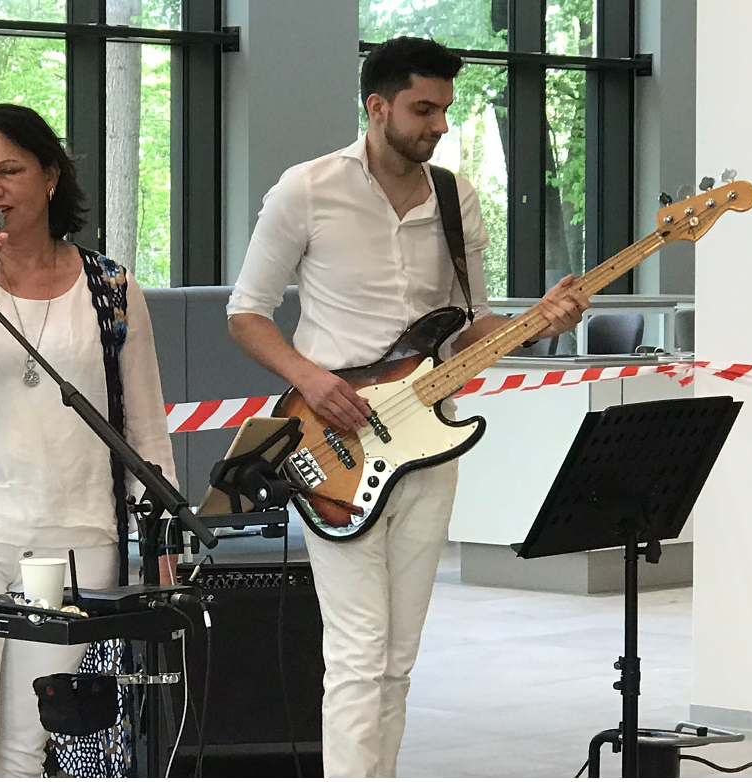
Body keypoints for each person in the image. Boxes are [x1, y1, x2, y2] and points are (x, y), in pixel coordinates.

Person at [226, 37, 590, 777]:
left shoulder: (456, 198)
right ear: (378, 106)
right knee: (358, 654)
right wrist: (311, 377)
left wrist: (539, 325)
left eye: (446, 110)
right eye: (424, 109)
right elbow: (247, 313)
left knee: (397, 659)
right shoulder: (306, 189)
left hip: (430, 441)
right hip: (332, 438)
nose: (439, 125)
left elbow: (469, 326)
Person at [0, 103, 177, 778]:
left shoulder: (111, 289)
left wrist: (161, 540)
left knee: (25, 742)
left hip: (73, 545)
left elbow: (144, 429)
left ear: (50, 177)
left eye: (9, 170)